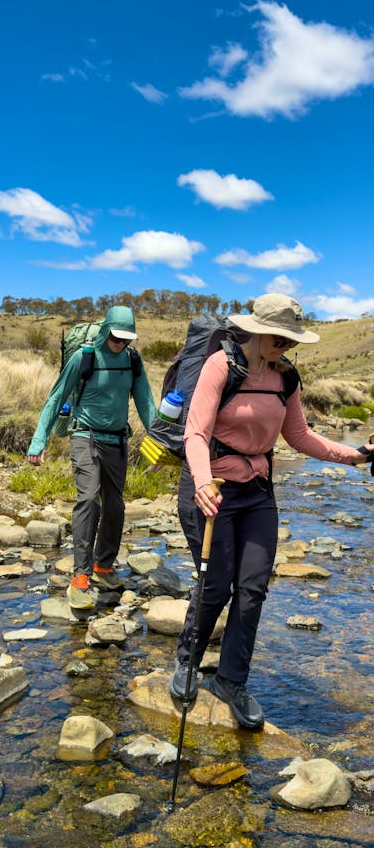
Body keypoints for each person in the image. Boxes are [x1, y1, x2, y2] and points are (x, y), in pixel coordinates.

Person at [170, 293, 374, 728]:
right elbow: (196, 433)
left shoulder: (286, 378)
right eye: (280, 339)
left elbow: (299, 436)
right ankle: (187, 660)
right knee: (216, 585)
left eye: (292, 341)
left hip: (258, 492)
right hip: (212, 490)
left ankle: (230, 681)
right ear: (258, 331)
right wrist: (202, 482)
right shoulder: (221, 366)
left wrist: (354, 456)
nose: (287, 347)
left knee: (253, 588)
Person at [27, 306, 156, 614]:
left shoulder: (132, 361)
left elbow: (146, 403)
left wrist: (160, 445)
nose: (121, 344)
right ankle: (81, 576)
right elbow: (56, 398)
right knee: (88, 499)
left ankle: (103, 566)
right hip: (85, 435)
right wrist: (38, 441)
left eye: (126, 339)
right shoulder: (83, 358)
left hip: (118, 441)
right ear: (105, 330)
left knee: (115, 505)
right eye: (116, 337)